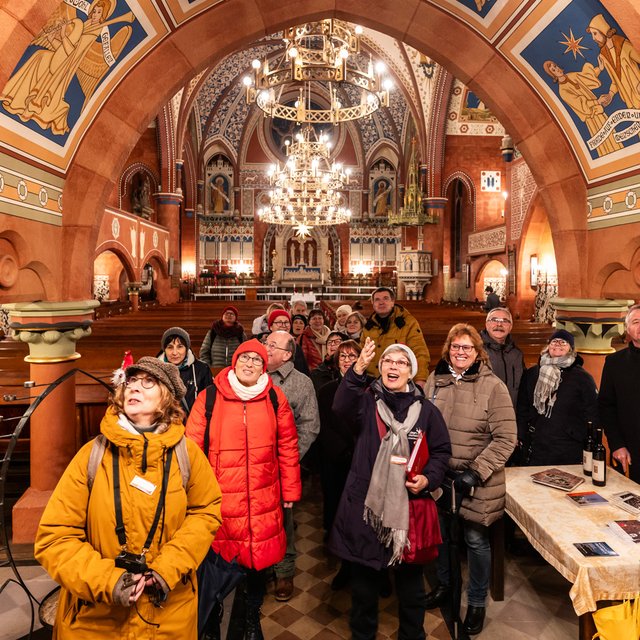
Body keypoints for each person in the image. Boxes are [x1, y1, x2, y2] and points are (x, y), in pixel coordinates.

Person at [35, 357, 222, 639]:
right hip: (96, 619)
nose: (135, 387)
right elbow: (55, 537)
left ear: (167, 398)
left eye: (149, 382)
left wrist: (167, 568)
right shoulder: (92, 455)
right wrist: (108, 581)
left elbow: (205, 513)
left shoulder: (187, 455)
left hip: (167, 614)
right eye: (131, 381)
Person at [329, 338, 451, 640]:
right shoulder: (367, 401)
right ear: (379, 367)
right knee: (364, 589)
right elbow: (340, 406)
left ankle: (412, 635)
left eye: (401, 362)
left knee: (411, 587)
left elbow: (441, 450)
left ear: (411, 371)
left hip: (408, 508)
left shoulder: (425, 411)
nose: (393, 366)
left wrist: (428, 479)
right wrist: (357, 369)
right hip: (366, 507)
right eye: (388, 361)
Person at [186, 340, 301, 639]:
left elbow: (288, 446)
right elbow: (191, 451)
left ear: (265, 366)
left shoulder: (275, 398)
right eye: (244, 358)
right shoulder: (209, 397)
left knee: (257, 563)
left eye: (256, 360)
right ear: (234, 361)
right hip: (220, 497)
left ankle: (251, 617)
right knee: (217, 563)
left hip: (264, 494)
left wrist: (289, 491)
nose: (249, 364)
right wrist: (192, 495)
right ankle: (213, 619)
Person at [425, 324, 516, 636]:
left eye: (467, 348)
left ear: (478, 353)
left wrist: (475, 472)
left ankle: (476, 601)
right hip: (440, 476)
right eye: (455, 347)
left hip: (476, 478)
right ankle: (445, 586)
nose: (460, 352)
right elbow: (423, 425)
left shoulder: (493, 386)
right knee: (443, 537)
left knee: (475, 541)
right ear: (448, 349)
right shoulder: (436, 381)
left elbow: (506, 438)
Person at [265, 330, 320, 602]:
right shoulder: (254, 375)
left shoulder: (300, 383)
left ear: (288, 354)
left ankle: (283, 571)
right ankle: (259, 566)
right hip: (252, 463)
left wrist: (289, 459)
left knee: (282, 519)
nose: (266, 348)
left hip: (282, 463)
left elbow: (310, 425)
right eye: (266, 343)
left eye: (272, 345)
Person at [316, 339, 363, 589]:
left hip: (365, 462)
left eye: (352, 355)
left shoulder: (371, 388)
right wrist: (344, 453)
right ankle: (345, 567)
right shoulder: (326, 390)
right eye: (342, 357)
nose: (347, 360)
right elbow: (324, 427)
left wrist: (361, 453)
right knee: (339, 514)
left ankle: (371, 572)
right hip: (337, 462)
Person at [516, 329, 598, 466]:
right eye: (554, 341)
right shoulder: (532, 373)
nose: (558, 344)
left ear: (571, 349)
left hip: (569, 445)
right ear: (548, 346)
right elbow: (523, 408)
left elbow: (593, 412)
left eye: (563, 342)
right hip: (538, 443)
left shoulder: (582, 378)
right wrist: (521, 435)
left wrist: (591, 441)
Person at [600, 304, 640, 482]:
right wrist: (617, 444)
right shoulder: (614, 362)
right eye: (636, 322)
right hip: (630, 450)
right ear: (627, 329)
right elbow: (606, 407)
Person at [360, 287, 430, 385]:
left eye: (385, 298)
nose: (381, 302)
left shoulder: (408, 323)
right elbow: (361, 355)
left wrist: (420, 380)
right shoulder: (368, 327)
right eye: (377, 300)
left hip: (399, 380)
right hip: (371, 382)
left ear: (392, 302)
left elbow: (419, 352)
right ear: (373, 304)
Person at [159, 326, 213, 416]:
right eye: (170, 347)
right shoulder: (155, 370)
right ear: (164, 349)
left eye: (180, 347)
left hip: (193, 422)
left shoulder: (202, 369)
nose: (175, 352)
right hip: (164, 422)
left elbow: (209, 401)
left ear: (187, 348)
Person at [480, 307, 525, 406]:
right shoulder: (475, 350)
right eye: (494, 320)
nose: (499, 324)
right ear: (487, 324)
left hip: (511, 410)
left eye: (505, 321)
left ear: (510, 326)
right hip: (484, 412)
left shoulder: (516, 354)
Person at [267, 309, 310, 376]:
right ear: (271, 327)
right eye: (279, 322)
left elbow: (303, 371)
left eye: (286, 322)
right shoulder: (263, 345)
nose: (283, 325)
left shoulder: (296, 347)